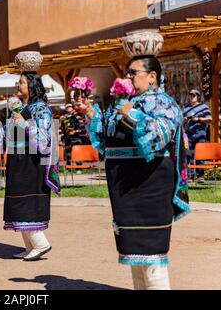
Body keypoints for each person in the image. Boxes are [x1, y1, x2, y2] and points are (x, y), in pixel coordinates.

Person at [81, 34, 190, 289]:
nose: (128, 77)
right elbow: (104, 141)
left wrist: (132, 114)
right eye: (127, 73)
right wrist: (91, 114)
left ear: (152, 76)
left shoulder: (165, 103)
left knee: (152, 260)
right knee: (135, 258)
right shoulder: (121, 104)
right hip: (123, 187)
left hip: (150, 185)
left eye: (133, 72)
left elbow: (159, 135)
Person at [0, 51, 60, 261]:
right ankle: (30, 246)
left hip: (31, 164)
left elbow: (44, 141)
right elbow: (8, 136)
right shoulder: (23, 108)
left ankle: (41, 243)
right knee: (17, 202)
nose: (18, 86)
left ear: (32, 85)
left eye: (21, 83)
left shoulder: (41, 110)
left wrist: (23, 122)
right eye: (18, 83)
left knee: (26, 203)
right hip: (17, 161)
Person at [182, 89, 211, 180]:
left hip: (200, 133)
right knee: (187, 154)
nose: (192, 96)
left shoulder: (204, 107)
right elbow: (180, 122)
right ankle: (188, 176)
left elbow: (210, 120)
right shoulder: (186, 107)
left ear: (198, 96)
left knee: (200, 155)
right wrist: (184, 120)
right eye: (190, 94)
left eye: (194, 95)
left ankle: (201, 176)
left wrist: (198, 119)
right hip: (188, 134)